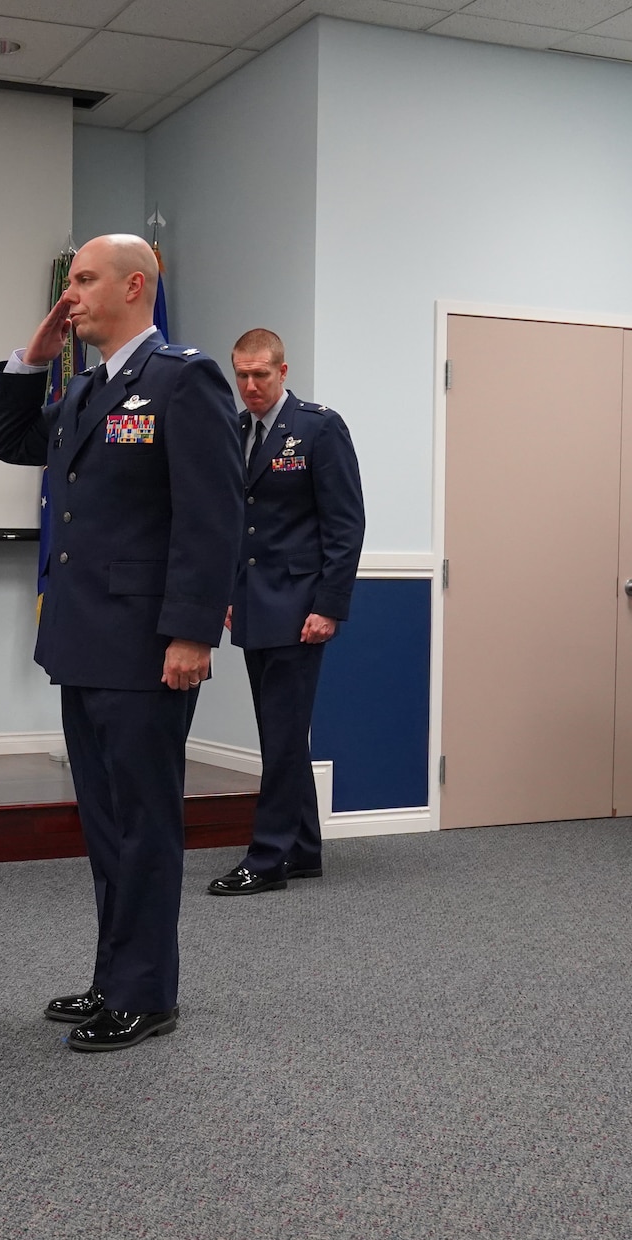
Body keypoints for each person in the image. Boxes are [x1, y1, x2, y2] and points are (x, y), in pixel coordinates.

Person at [0, 234, 243, 1052]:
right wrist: (31, 358)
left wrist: (192, 630)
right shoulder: (89, 389)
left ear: (136, 286)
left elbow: (212, 516)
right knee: (106, 823)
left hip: (144, 644)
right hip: (84, 639)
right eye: (69, 282)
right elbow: (16, 440)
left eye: (87, 280)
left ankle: (147, 993)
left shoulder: (182, 378)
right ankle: (113, 977)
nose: (73, 296)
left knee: (143, 822)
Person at [209, 329, 365, 896]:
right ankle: (301, 848)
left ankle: (268, 855)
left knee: (280, 733)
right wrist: (225, 590)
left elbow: (346, 524)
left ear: (283, 371)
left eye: (260, 375)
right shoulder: (235, 428)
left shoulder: (319, 427)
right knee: (281, 731)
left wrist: (329, 606)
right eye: (241, 375)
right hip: (253, 602)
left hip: (301, 607)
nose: (249, 386)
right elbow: (233, 520)